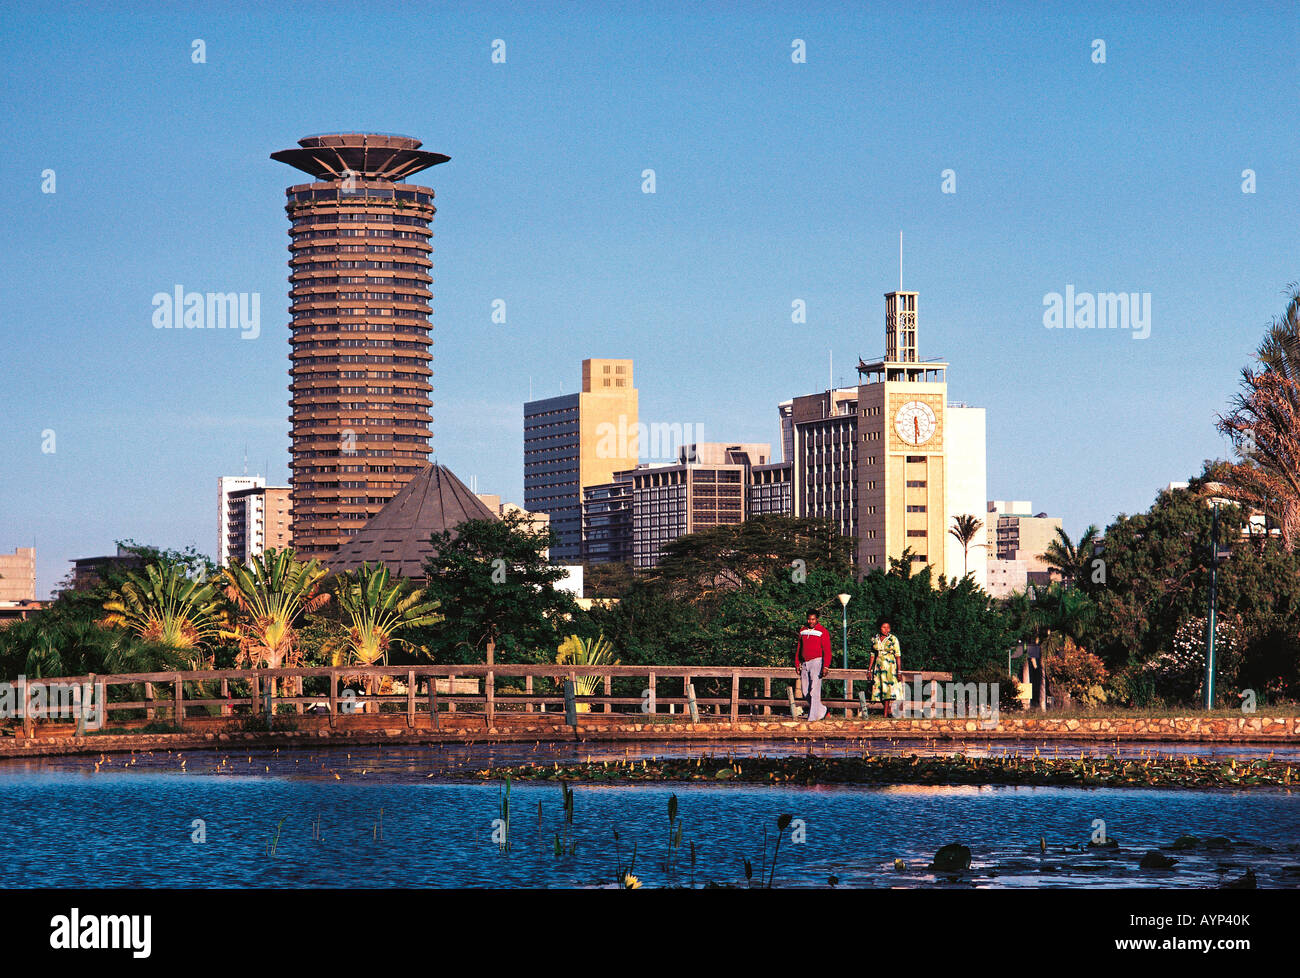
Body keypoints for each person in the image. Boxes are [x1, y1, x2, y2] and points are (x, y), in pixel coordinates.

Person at [795, 609, 832, 721]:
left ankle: (812, 718)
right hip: (805, 663)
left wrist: (826, 666)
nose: (811, 621)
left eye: (813, 619)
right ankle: (822, 710)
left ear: (817, 619)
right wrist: (797, 663)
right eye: (809, 619)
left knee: (814, 691)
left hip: (817, 662)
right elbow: (799, 648)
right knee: (805, 691)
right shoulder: (802, 631)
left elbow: (827, 650)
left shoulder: (822, 631)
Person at [869, 621, 903, 717]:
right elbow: (872, 655)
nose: (886, 629)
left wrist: (899, 671)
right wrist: (869, 669)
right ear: (880, 628)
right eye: (884, 627)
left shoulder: (893, 639)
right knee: (879, 689)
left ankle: (885, 713)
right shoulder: (875, 639)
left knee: (888, 689)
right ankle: (888, 710)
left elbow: (898, 655)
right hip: (878, 667)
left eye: (888, 627)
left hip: (890, 667)